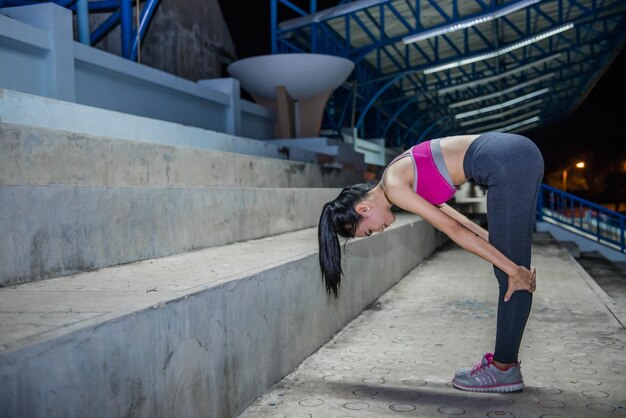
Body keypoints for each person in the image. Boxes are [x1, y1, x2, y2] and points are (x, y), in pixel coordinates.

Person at [317, 131, 544, 393]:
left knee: (511, 277)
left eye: (368, 230)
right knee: (510, 268)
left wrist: (513, 269)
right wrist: (506, 253)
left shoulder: (394, 186)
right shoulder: (397, 176)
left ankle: (504, 369)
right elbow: (461, 222)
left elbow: (453, 231)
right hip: (517, 151)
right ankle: (506, 364)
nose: (378, 231)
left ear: (363, 210)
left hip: (505, 161)